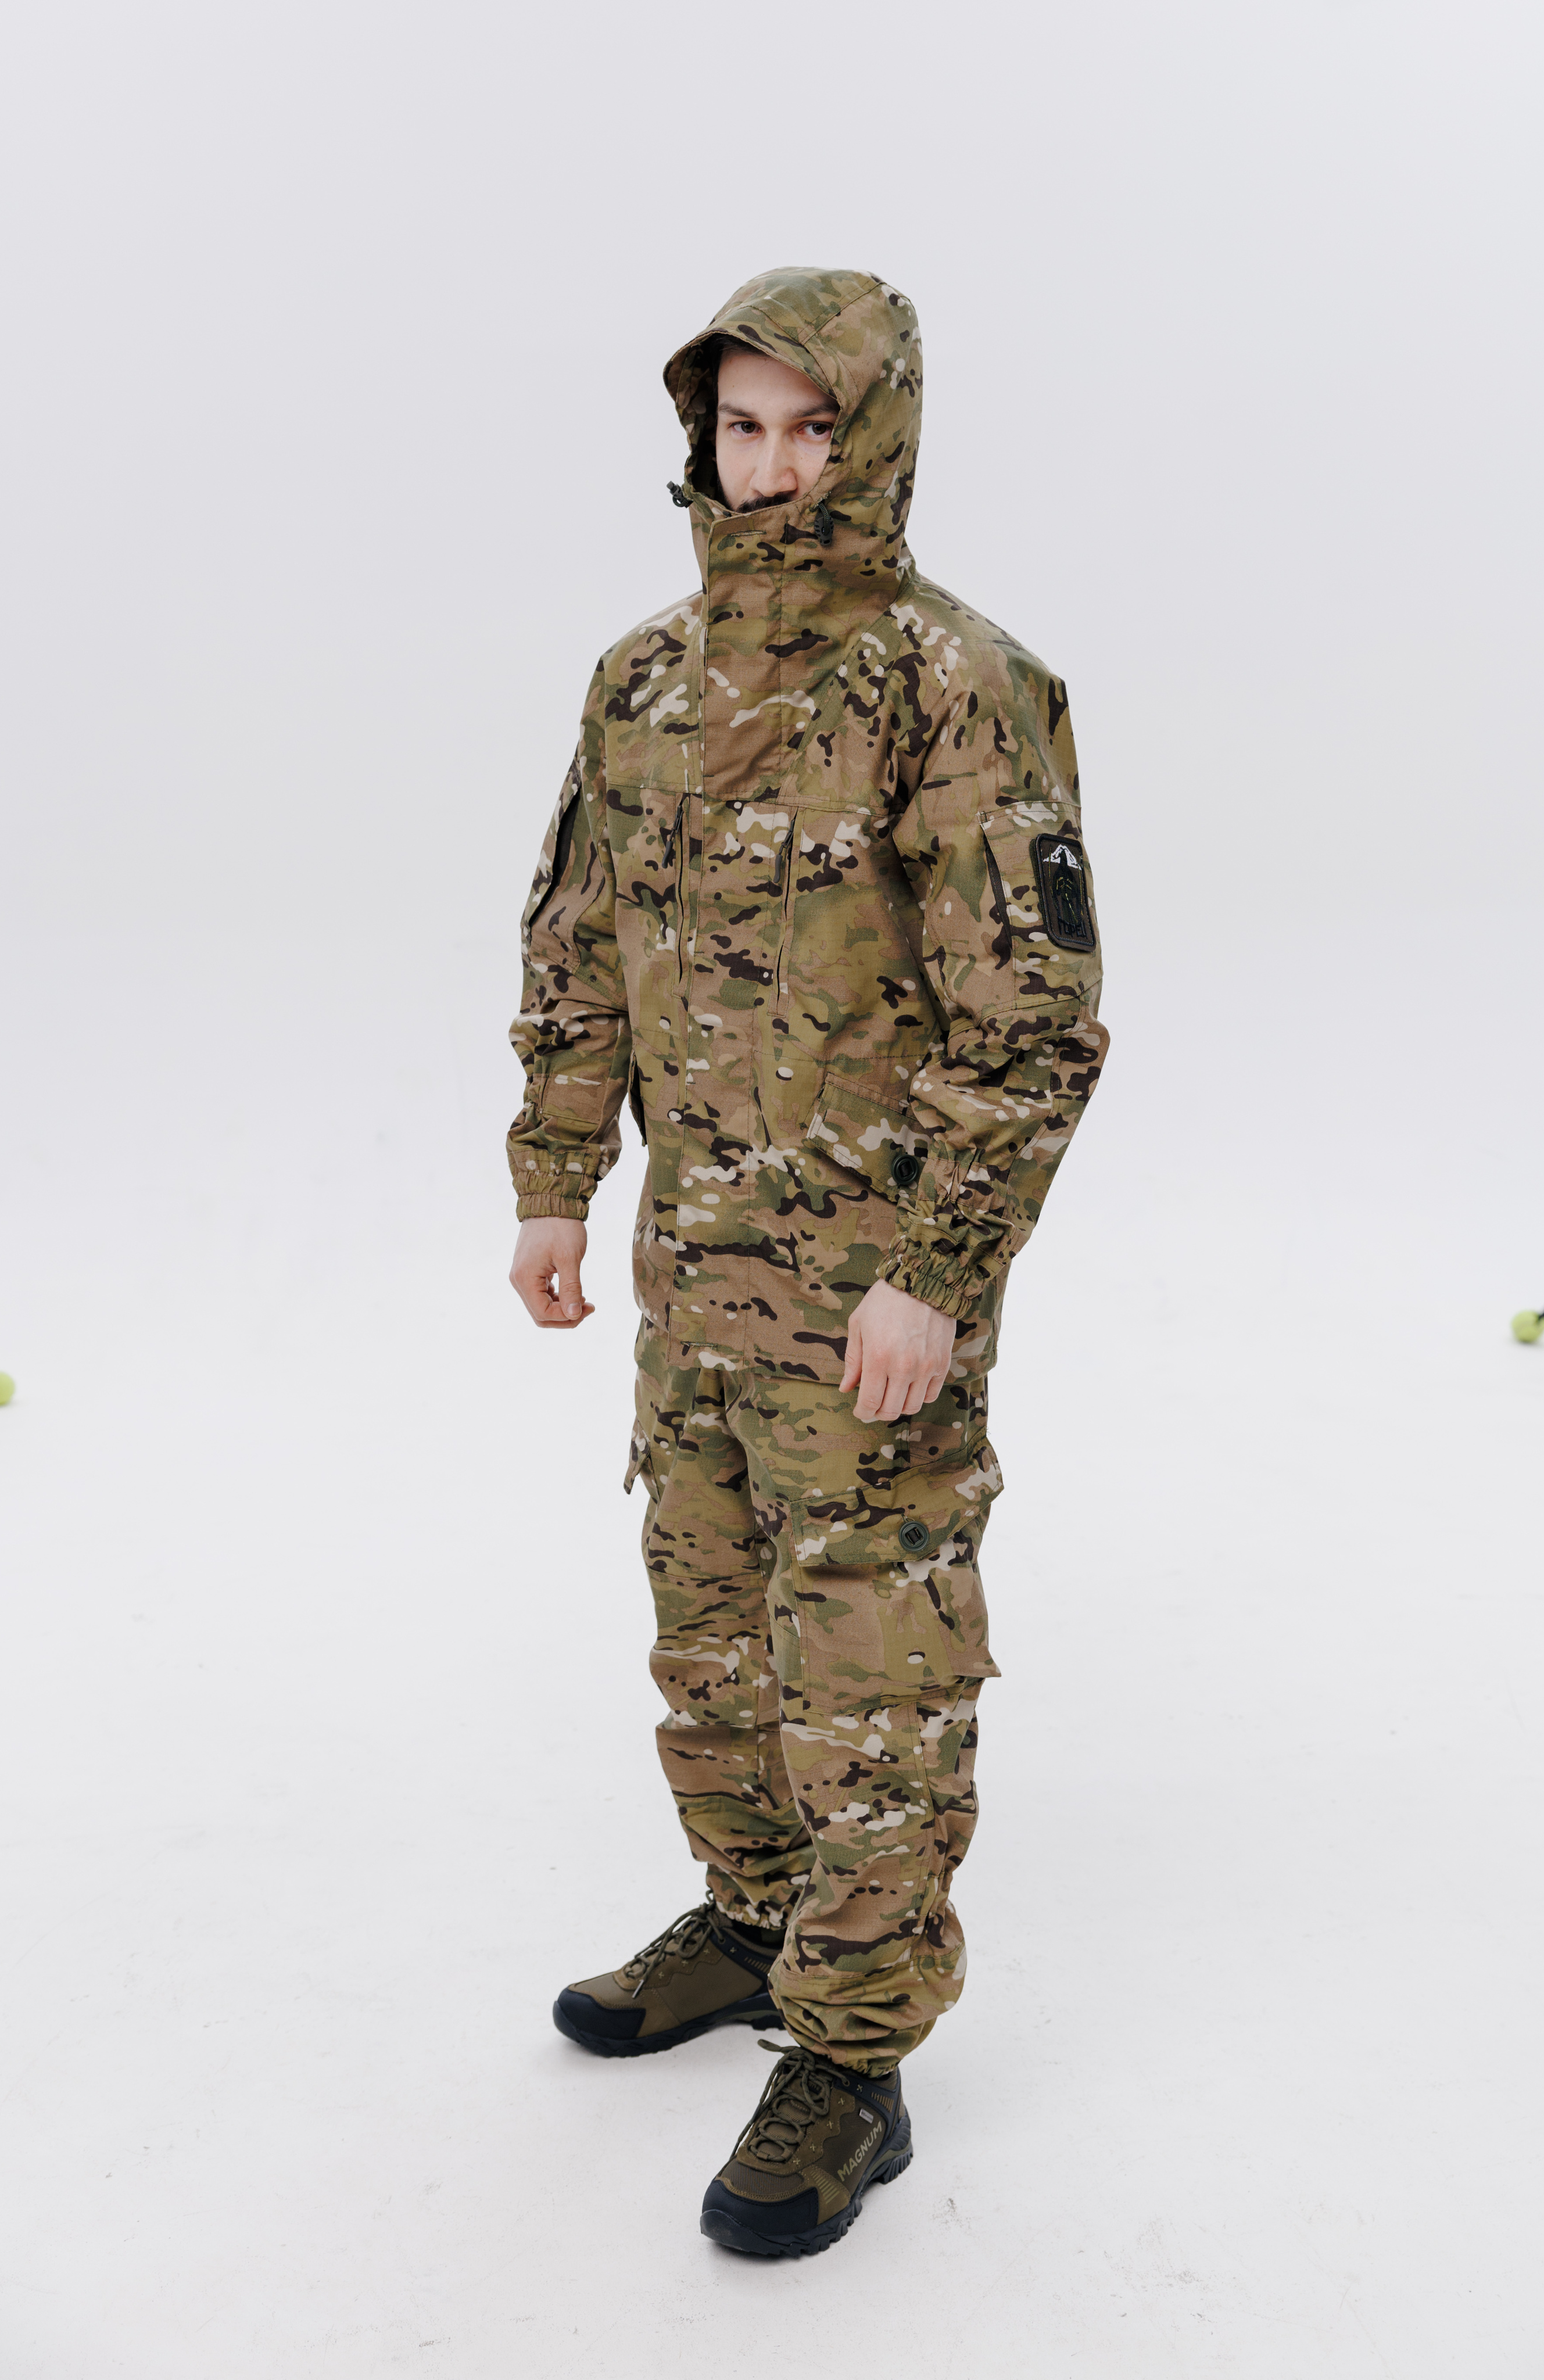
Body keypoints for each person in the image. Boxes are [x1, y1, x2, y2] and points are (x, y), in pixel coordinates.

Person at [507, 267, 1107, 2259]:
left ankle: (851, 2060)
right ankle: (752, 1917)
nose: (769, 469)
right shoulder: (643, 681)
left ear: (879, 440)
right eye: (739, 429)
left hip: (867, 1308)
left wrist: (935, 1273)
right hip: (692, 1282)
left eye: (809, 429)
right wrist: (553, 1178)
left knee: (870, 1676)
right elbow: (577, 943)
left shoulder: (956, 685)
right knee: (708, 1635)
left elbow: (1034, 1026)